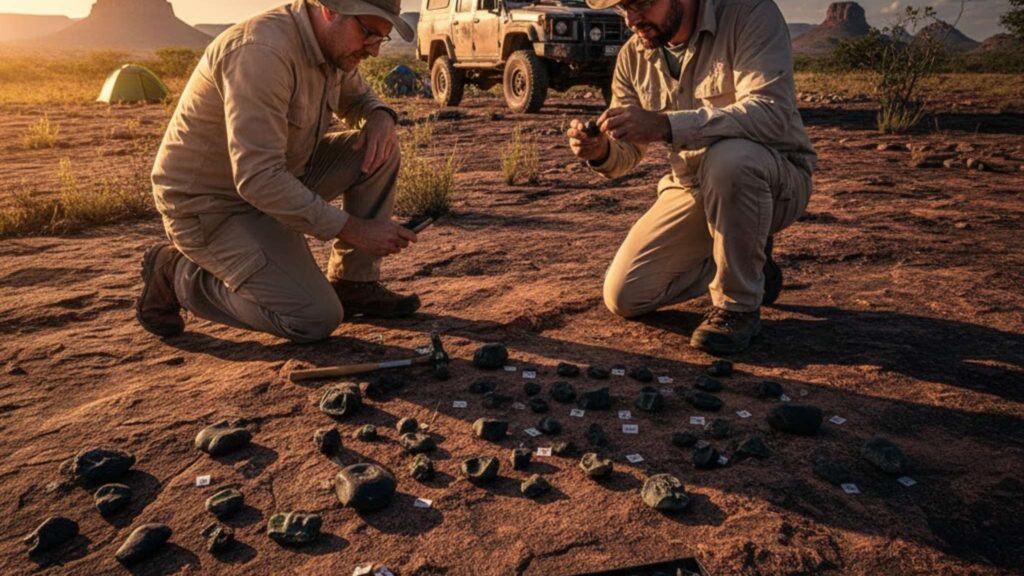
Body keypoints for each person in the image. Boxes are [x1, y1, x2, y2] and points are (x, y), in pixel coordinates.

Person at [137, 0, 420, 344]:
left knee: (380, 148)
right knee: (314, 318)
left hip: (281, 177)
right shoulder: (262, 52)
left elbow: (358, 98)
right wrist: (354, 229)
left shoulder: (335, 46)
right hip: (212, 206)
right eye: (369, 34)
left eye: (382, 39)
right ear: (331, 10)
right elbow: (257, 178)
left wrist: (379, 116)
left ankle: (354, 284)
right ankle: (176, 274)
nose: (374, 51)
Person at [567, 0, 816, 355]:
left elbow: (771, 113)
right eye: (623, 7)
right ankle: (750, 260)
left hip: (773, 175)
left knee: (729, 160)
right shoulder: (633, 55)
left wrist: (666, 125)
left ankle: (738, 306)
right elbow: (629, 152)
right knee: (625, 295)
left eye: (640, 3)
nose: (632, 19)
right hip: (691, 186)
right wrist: (602, 151)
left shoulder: (750, 14)